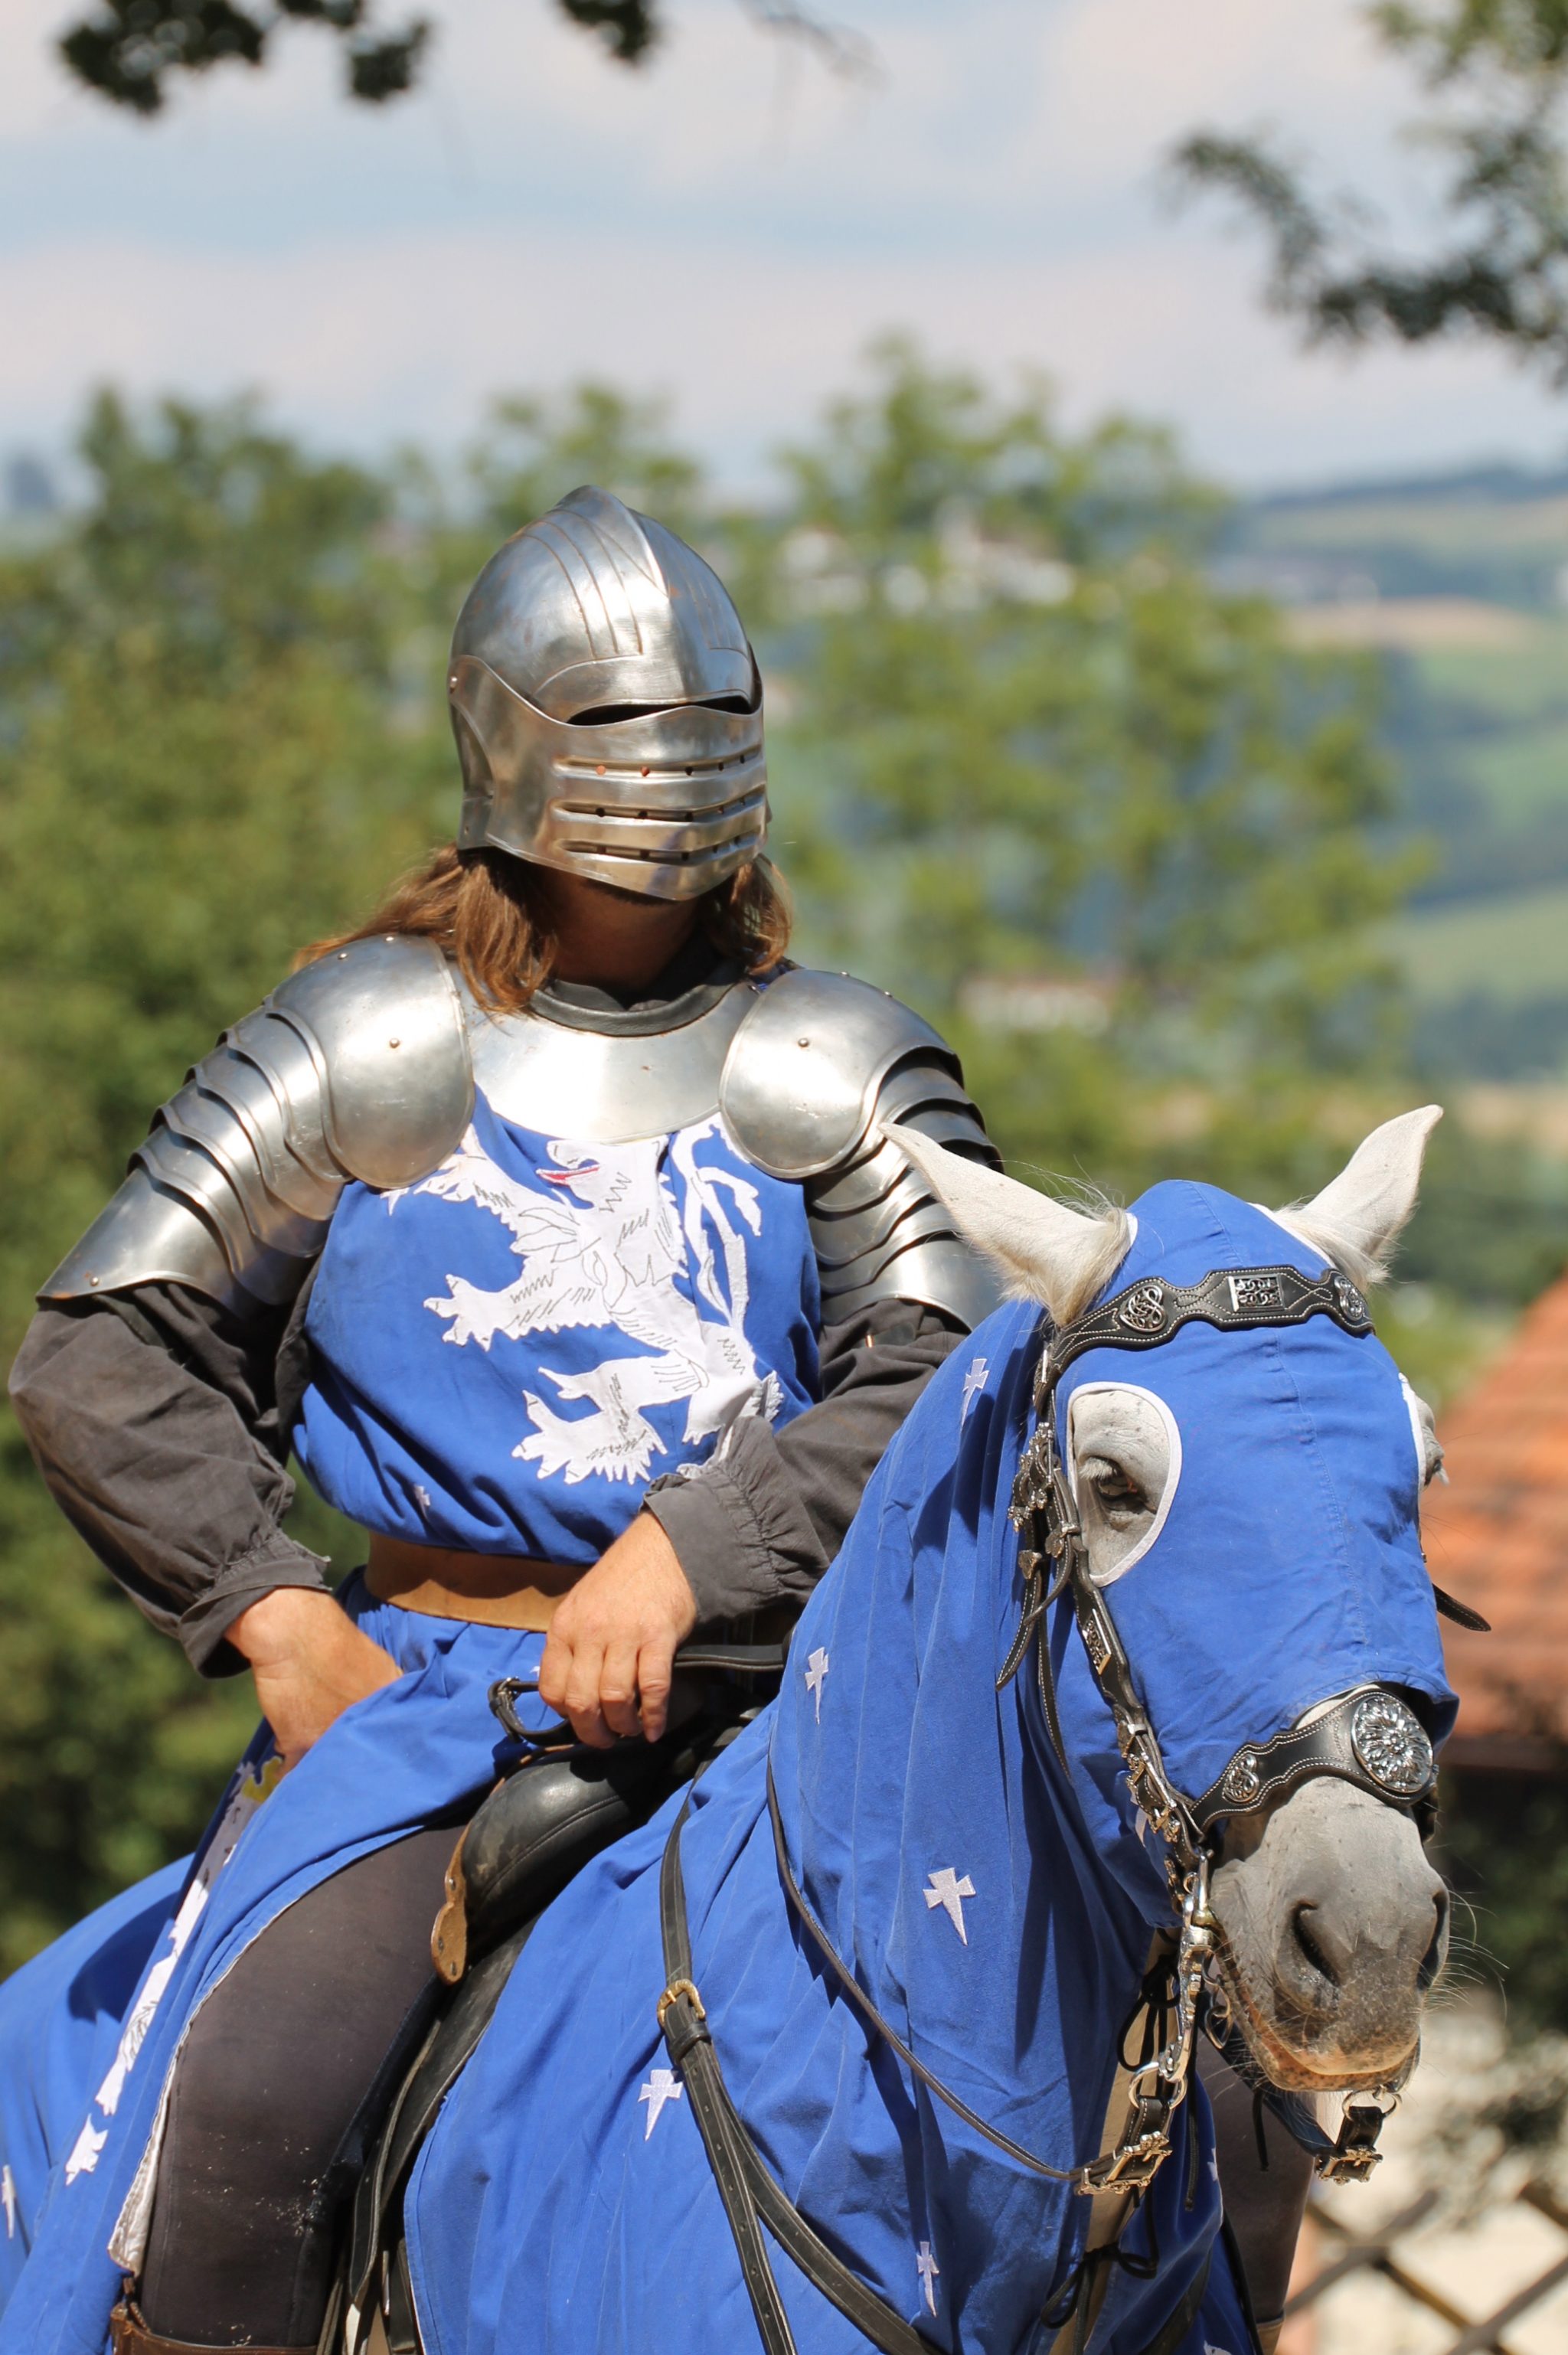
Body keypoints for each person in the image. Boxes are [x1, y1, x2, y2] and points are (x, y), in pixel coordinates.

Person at [0, 486, 1000, 2355]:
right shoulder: (372, 1041)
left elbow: (951, 1374)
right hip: (439, 1723)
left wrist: (695, 1550)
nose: (668, 769)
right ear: (514, 745)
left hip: (794, 1704)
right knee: (254, 2115)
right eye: (621, 728)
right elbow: (103, 1349)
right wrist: (278, 1615)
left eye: (700, 723)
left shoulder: (832, 1060)